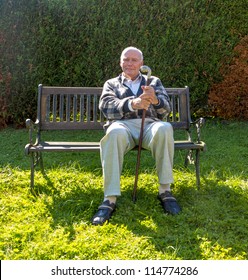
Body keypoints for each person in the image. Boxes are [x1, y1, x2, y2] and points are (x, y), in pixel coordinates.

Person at [91, 46, 181, 225]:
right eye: (126, 59)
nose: (129, 63)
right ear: (120, 62)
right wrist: (133, 104)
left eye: (134, 60)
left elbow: (165, 111)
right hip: (122, 126)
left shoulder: (153, 81)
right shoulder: (111, 84)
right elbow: (106, 108)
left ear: (141, 63)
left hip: (149, 126)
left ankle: (165, 191)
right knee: (114, 132)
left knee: (164, 128)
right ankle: (109, 199)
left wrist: (154, 100)